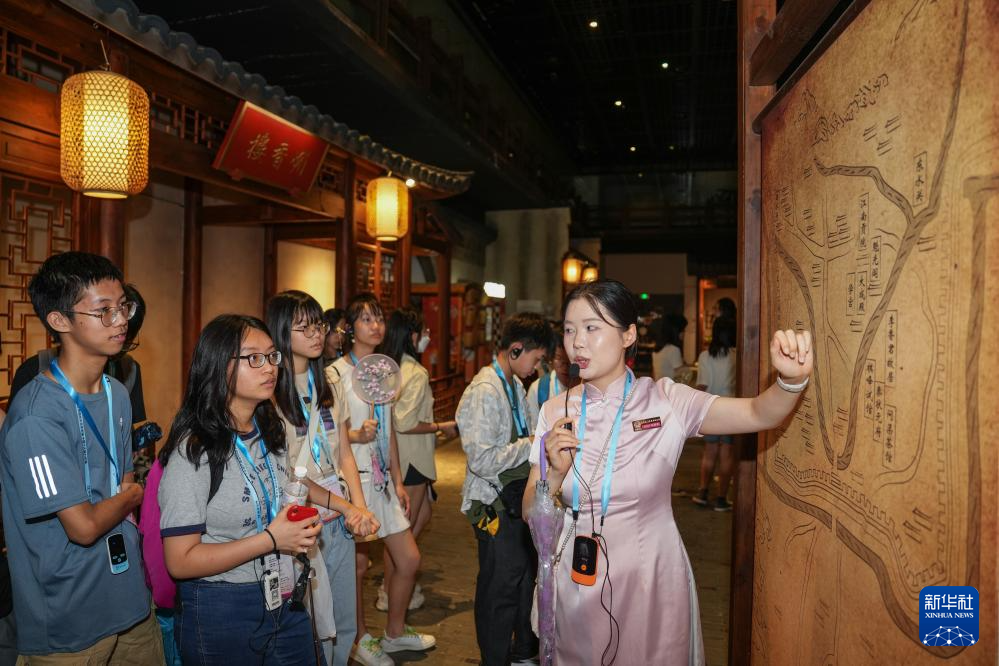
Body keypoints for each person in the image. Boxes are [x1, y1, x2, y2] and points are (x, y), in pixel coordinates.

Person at [525, 279, 812, 665]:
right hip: (578, 580)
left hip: (651, 577)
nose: (577, 343)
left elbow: (759, 413)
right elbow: (529, 510)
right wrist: (555, 477)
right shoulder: (554, 411)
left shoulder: (666, 401)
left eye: (592, 328)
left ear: (628, 335)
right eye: (569, 330)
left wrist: (791, 381)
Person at [0, 252, 163, 662]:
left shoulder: (117, 393)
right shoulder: (36, 415)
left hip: (131, 602)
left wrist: (126, 493)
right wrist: (132, 496)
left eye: (123, 306)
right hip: (68, 618)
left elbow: (122, 479)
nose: (121, 320)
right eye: (104, 311)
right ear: (60, 320)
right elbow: (84, 527)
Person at [158, 314, 322, 664]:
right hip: (221, 605)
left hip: (282, 591)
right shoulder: (195, 451)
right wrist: (272, 539)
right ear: (219, 366)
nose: (270, 367)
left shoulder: (268, 427)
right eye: (254, 358)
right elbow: (180, 561)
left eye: (272, 356)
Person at [266, 291, 380, 665]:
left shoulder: (328, 383)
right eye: (304, 327)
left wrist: (358, 508)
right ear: (282, 333)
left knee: (343, 621)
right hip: (300, 521)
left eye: (318, 325)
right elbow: (287, 473)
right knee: (309, 620)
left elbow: (344, 451)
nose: (316, 334)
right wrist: (348, 506)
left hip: (338, 519)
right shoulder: (269, 392)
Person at [330, 294, 434, 666]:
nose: (376, 326)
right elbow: (329, 434)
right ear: (349, 328)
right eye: (366, 319)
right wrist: (356, 435)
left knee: (409, 559)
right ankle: (359, 639)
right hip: (352, 482)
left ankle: (394, 631)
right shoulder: (335, 374)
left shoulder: (382, 370)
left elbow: (388, 430)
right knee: (356, 567)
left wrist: (398, 480)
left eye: (379, 319)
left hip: (382, 480)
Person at [457, 312, 553, 666]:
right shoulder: (485, 390)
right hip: (492, 503)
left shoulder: (512, 383)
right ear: (515, 349)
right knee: (499, 589)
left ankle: (521, 651)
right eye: (535, 359)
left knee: (520, 579)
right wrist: (533, 444)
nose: (537, 367)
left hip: (512, 498)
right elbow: (481, 459)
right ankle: (494, 658)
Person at [379, 307, 458, 612]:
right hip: (411, 461)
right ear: (411, 336)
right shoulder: (415, 372)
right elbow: (405, 421)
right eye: (423, 332)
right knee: (402, 533)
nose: (427, 337)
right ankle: (391, 592)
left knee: (421, 517)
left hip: (407, 458)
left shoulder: (389, 367)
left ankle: (399, 585)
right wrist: (440, 425)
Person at [8, 283, 147, 423]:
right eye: (104, 309)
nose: (121, 323)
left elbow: (131, 429)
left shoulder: (129, 371)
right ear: (61, 321)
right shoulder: (33, 371)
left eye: (126, 339)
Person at [692, 316, 738, 511]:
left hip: (710, 408)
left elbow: (702, 385)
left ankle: (702, 493)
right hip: (732, 409)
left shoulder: (705, 356)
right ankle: (721, 499)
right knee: (727, 454)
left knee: (709, 452)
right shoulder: (737, 355)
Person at [526, 322, 577, 431]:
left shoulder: (589, 387)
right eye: (559, 358)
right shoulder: (538, 389)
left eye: (569, 358)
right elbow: (533, 433)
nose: (565, 366)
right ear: (551, 358)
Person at [652, 313, 688, 381]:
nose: (684, 333)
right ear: (676, 331)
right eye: (683, 330)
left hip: (658, 386)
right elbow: (681, 376)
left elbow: (654, 374)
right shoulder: (673, 350)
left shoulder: (657, 349)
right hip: (670, 387)